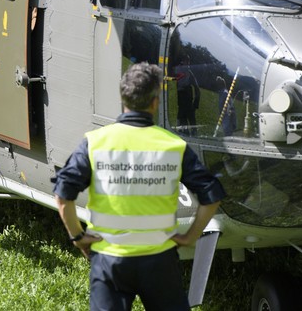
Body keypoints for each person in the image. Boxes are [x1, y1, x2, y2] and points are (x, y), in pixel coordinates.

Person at [53, 63, 226, 311]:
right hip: (160, 262)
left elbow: (63, 195)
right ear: (155, 102)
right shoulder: (173, 145)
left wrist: (78, 237)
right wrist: (190, 236)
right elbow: (212, 196)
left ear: (123, 98)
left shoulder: (95, 142)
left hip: (109, 260)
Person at [172, 55, 200, 132]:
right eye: (186, 61)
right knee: (183, 119)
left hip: (187, 100)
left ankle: (191, 133)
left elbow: (197, 88)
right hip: (182, 99)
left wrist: (195, 104)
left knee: (191, 120)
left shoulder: (189, 73)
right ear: (183, 61)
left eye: (188, 62)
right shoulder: (181, 70)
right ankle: (183, 132)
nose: (187, 64)